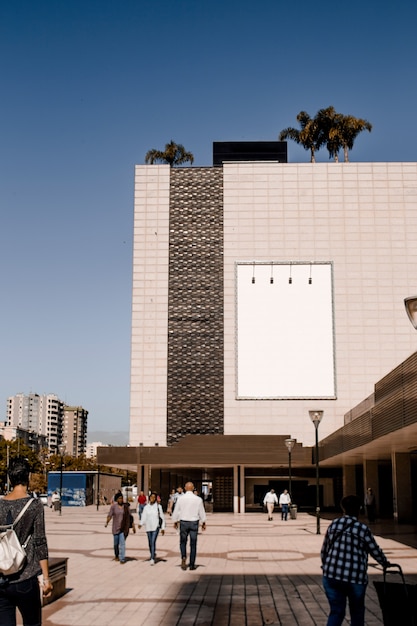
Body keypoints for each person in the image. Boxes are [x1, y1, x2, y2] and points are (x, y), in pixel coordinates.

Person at [321, 494, 390, 626]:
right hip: (355, 577)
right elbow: (374, 549)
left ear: (343, 509)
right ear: (359, 509)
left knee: (336, 611)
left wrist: (326, 566)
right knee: (357, 612)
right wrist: (384, 562)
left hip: (331, 576)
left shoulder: (334, 524)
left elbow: (325, 549)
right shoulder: (362, 529)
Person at [0, 456, 53, 626]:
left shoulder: (0, 504)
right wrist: (46, 579)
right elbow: (39, 542)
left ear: (10, 478)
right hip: (26, 576)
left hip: (2, 579)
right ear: (28, 477)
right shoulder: (34, 505)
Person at [171, 481, 206, 570]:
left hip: (183, 522)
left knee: (183, 542)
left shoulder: (181, 499)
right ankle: (192, 564)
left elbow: (177, 510)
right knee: (193, 544)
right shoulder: (198, 499)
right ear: (193, 488)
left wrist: (175, 521)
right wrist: (203, 522)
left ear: (185, 488)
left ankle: (183, 556)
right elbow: (201, 511)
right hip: (194, 522)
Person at [105, 492, 132, 564]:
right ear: (116, 499)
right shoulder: (113, 507)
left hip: (123, 529)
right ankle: (116, 555)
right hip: (115, 528)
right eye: (119, 498)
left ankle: (122, 558)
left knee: (122, 544)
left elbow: (130, 517)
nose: (121, 500)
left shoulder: (126, 507)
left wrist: (133, 526)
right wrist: (107, 522)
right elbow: (110, 515)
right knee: (116, 544)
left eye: (122, 498)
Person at [139, 492, 165, 565]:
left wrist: (163, 528)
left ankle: (152, 558)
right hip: (148, 527)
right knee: (150, 543)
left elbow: (162, 517)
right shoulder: (146, 507)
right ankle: (153, 553)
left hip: (155, 527)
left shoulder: (158, 507)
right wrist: (141, 523)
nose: (152, 499)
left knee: (153, 541)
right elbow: (143, 516)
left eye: (154, 497)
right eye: (151, 497)